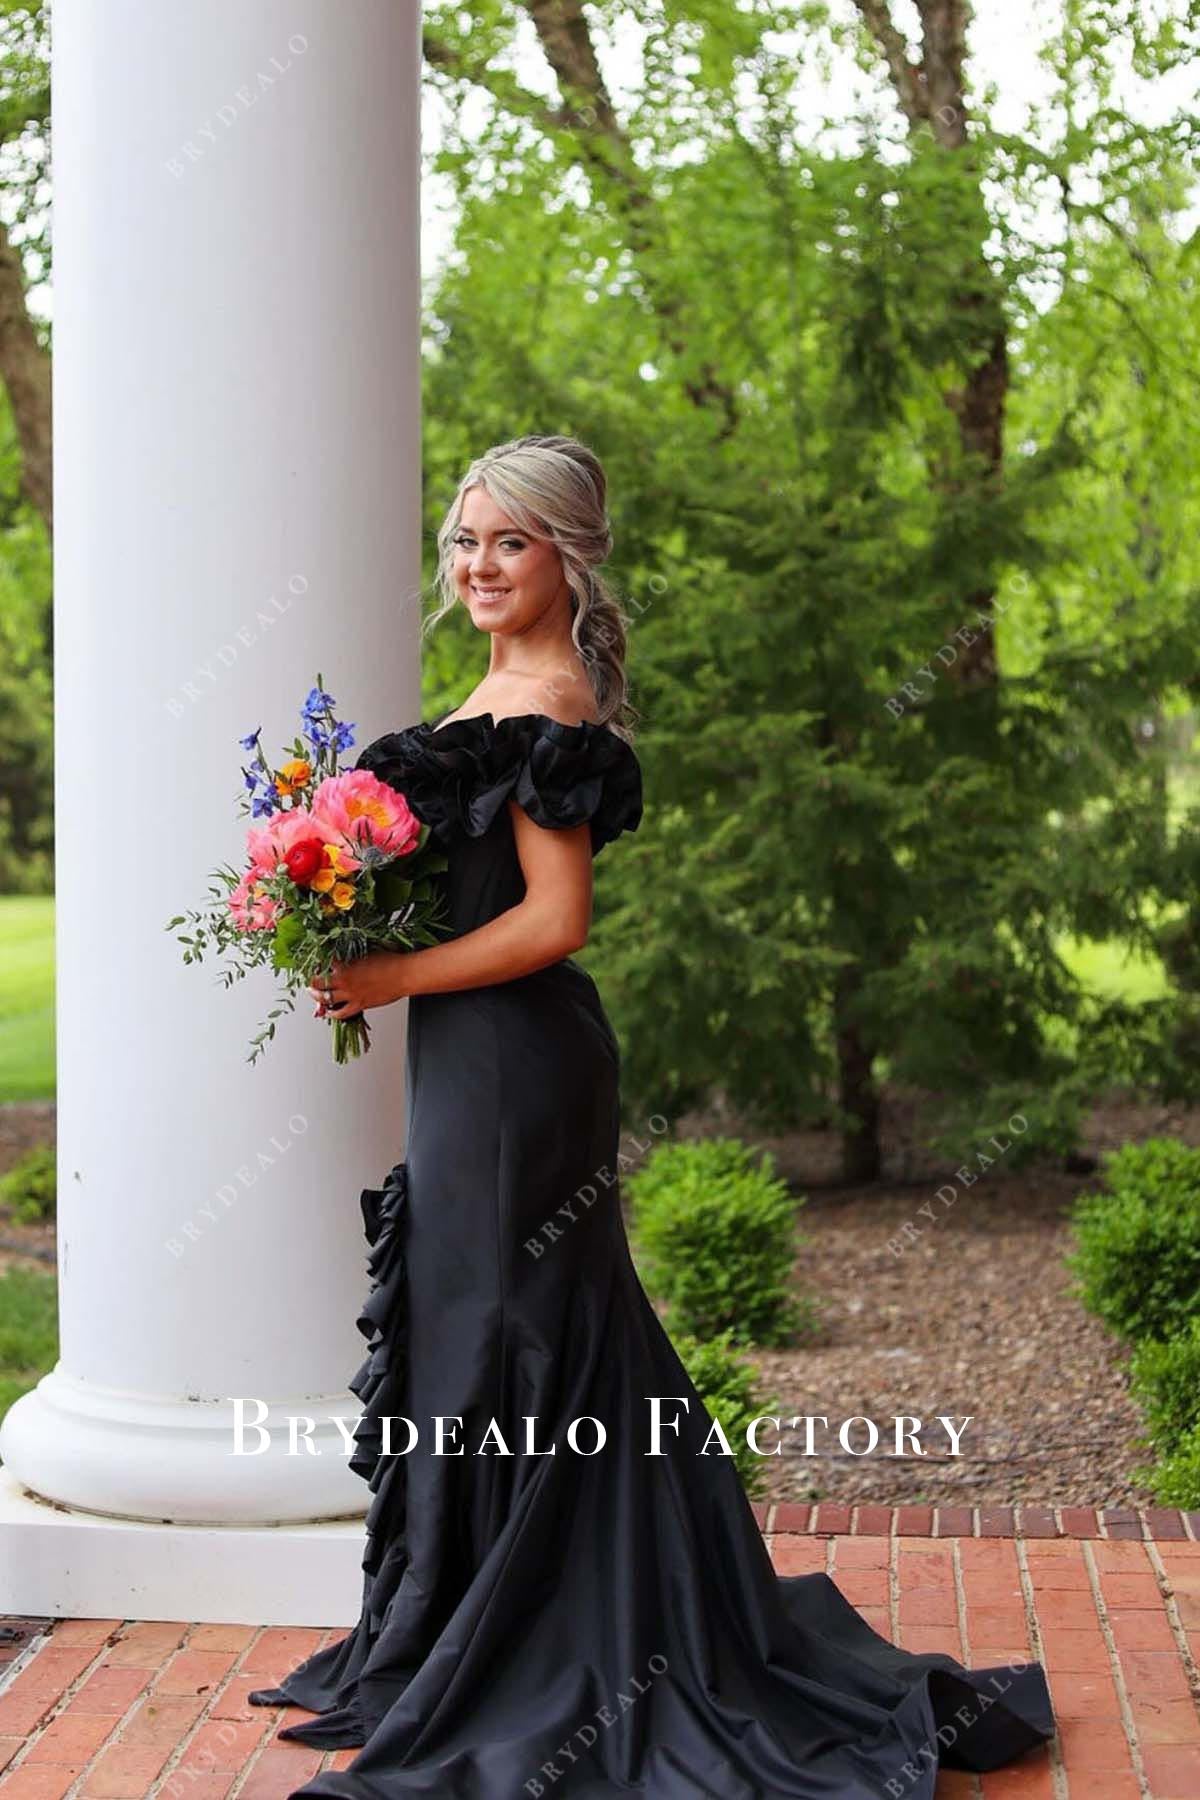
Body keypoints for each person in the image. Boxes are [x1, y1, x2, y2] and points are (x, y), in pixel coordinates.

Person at [246, 435, 1055, 1796]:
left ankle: (548, 1646)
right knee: (484, 1322)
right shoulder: (500, 679)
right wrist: (348, 903)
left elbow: (555, 921)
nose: (480, 565)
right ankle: (474, 1629)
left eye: (511, 541)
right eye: (466, 540)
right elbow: (475, 874)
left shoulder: (554, 702)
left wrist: (388, 970)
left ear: (569, 554)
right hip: (471, 1053)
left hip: (521, 1063)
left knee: (521, 1327)